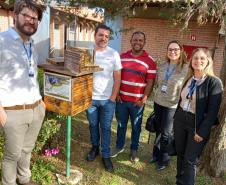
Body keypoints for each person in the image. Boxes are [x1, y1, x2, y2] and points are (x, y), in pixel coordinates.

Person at [0, 1, 45, 185]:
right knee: (12, 155)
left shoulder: (31, 44)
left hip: (35, 108)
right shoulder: (2, 41)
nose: (31, 21)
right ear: (14, 16)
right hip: (12, 111)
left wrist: (40, 102)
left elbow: (31, 76)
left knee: (27, 149)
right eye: (26, 15)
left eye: (35, 18)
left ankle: (24, 179)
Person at [174, 48, 223, 185]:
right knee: (180, 153)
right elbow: (182, 100)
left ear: (208, 62)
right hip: (180, 119)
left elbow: (213, 112)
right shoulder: (189, 78)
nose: (198, 61)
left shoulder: (214, 82)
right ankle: (179, 181)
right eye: (195, 58)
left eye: (202, 58)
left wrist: (201, 131)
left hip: (197, 124)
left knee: (190, 159)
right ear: (191, 62)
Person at [110, 31, 156, 162]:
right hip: (122, 100)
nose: (137, 42)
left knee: (136, 127)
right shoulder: (121, 57)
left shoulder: (150, 61)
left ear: (144, 42)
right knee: (120, 125)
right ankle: (119, 146)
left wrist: (144, 99)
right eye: (135, 40)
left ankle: (134, 149)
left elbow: (150, 81)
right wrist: (117, 93)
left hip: (137, 103)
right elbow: (116, 76)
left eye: (140, 40)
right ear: (131, 41)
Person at [86, 24, 122, 172]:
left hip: (107, 100)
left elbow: (118, 77)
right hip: (90, 99)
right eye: (101, 35)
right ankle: (95, 148)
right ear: (95, 36)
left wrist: (113, 97)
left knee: (106, 128)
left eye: (107, 36)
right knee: (93, 125)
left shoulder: (114, 54)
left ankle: (105, 155)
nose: (104, 38)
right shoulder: (87, 53)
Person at [150, 40, 188, 171]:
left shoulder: (186, 68)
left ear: (181, 51)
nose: (173, 52)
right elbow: (157, 83)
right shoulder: (161, 65)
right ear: (167, 51)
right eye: (170, 49)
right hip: (158, 102)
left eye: (176, 49)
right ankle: (156, 154)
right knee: (158, 129)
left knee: (166, 133)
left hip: (172, 105)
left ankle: (164, 160)